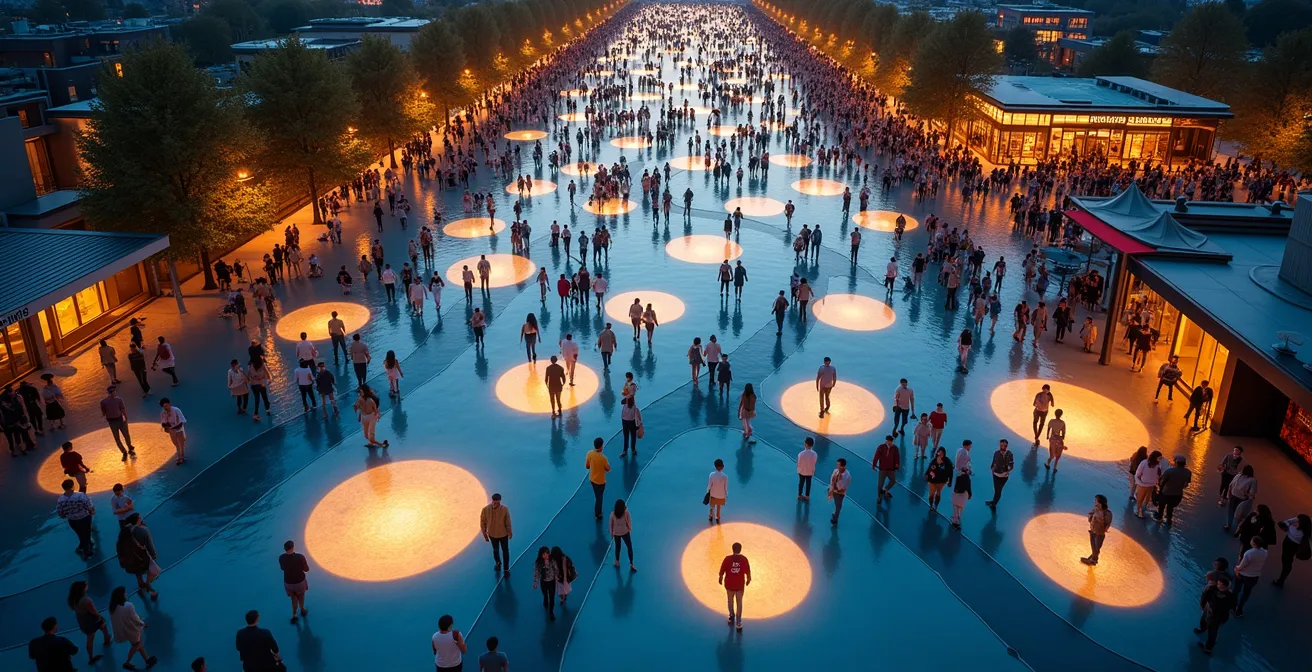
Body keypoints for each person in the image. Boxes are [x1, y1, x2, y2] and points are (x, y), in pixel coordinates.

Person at [108, 585, 155, 670]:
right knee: (138, 644)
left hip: (122, 630)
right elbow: (135, 619)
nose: (126, 594)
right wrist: (143, 624)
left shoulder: (112, 607)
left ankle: (147, 660)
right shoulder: (128, 605)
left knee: (136, 644)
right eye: (124, 592)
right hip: (131, 629)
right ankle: (127, 662)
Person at [68, 581, 110, 666]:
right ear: (82, 589)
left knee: (101, 627)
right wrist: (100, 617)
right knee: (92, 636)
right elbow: (94, 612)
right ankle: (92, 657)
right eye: (86, 586)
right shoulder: (86, 600)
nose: (87, 587)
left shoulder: (73, 599)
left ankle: (106, 639)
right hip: (91, 622)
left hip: (83, 622)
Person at [1194, 576, 1236, 655]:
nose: (1218, 585)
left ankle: (1208, 647)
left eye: (1220, 584)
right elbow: (1205, 595)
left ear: (1225, 586)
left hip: (1216, 616)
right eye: (1218, 583)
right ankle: (1203, 629)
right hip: (1209, 610)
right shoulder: (1214, 589)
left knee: (1213, 630)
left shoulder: (1229, 596)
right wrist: (1204, 605)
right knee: (1204, 620)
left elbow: (1230, 606)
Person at [57, 479, 95, 558]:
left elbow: (60, 513)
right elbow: (88, 505)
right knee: (86, 533)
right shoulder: (80, 495)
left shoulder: (61, 500)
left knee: (80, 534)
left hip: (73, 521)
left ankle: (85, 545)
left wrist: (67, 515)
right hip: (84, 517)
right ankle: (86, 551)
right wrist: (91, 512)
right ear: (72, 486)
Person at [718, 541, 751, 631]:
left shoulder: (727, 559)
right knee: (739, 603)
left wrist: (720, 578)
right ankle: (739, 623)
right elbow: (747, 571)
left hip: (729, 585)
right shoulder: (744, 559)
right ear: (740, 550)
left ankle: (731, 615)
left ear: (732, 549)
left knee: (730, 601)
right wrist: (748, 579)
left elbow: (722, 569)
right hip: (739, 585)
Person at [1273, 513, 1311, 587]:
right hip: (1288, 542)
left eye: (1298, 521)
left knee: (1287, 561)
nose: (1295, 522)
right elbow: (1287, 522)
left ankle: (1281, 580)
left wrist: (1289, 523)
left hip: (1291, 545)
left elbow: (1285, 523)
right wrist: (1294, 520)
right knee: (1286, 559)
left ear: (1302, 524)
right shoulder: (1302, 529)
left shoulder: (1298, 533)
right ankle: (1282, 577)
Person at [1233, 536, 1267, 616]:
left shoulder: (1249, 553)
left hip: (1243, 574)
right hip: (1254, 576)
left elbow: (1242, 565)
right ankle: (1239, 609)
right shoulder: (1265, 552)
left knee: (1236, 589)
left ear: (1254, 544)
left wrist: (1236, 569)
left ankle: (1232, 605)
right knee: (1246, 592)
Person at [480, 493, 513, 577]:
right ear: (492, 500)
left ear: (499, 501)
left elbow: (507, 522)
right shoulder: (485, 509)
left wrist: (509, 532)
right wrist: (485, 534)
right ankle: (498, 563)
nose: (494, 503)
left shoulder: (505, 510)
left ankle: (506, 569)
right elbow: (482, 522)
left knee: (505, 551)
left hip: (503, 535)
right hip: (492, 535)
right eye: (493, 501)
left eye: (496, 501)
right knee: (495, 550)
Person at [1155, 455, 1192, 526]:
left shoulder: (1169, 471)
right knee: (1170, 507)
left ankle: (1159, 518)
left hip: (1166, 493)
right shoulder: (1188, 472)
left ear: (1176, 462)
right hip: (1178, 494)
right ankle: (1169, 520)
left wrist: (1160, 489)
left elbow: (1161, 482)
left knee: (1161, 506)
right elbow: (1186, 484)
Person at [280, 540, 310, 624]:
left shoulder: (281, 557)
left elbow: (282, 568)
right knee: (301, 596)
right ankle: (302, 609)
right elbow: (306, 569)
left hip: (288, 582)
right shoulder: (300, 557)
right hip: (299, 581)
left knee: (293, 598)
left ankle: (294, 615)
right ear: (293, 548)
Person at [1081, 494, 1113, 565]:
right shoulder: (1095, 509)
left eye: (1096, 500)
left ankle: (1093, 560)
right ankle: (1093, 558)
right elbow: (1090, 516)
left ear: (1100, 502)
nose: (1095, 502)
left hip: (1099, 532)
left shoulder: (1107, 513)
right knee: (1094, 546)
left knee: (1097, 547)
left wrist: (1103, 529)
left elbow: (1108, 523)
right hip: (1093, 530)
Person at [1225, 465, 1258, 532]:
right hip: (1234, 496)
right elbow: (1231, 485)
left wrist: (1246, 494)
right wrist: (1229, 495)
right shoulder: (1238, 476)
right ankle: (1229, 525)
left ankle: (1236, 528)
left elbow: (1252, 492)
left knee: (1239, 515)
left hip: (1242, 499)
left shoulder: (1252, 480)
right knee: (1231, 511)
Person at [1133, 450, 1163, 518]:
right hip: (1142, 485)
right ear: (1155, 457)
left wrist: (1155, 483)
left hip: (1151, 485)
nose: (1161, 459)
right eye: (1159, 458)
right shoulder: (1144, 463)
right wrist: (1139, 482)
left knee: (1146, 499)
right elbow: (1138, 474)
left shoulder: (1158, 465)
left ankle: (1141, 510)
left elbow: (1157, 475)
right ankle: (1138, 511)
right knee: (1140, 499)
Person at [586, 437, 609, 520]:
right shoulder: (603, 458)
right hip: (601, 482)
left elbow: (587, 466)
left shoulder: (589, 453)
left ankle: (598, 512)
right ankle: (598, 514)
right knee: (599, 498)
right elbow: (608, 469)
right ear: (601, 446)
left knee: (597, 496)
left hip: (592, 480)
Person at [532, 546, 558, 620]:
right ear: (541, 555)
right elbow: (536, 572)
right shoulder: (538, 562)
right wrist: (535, 582)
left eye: (547, 554)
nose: (546, 556)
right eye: (544, 554)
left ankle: (551, 612)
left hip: (552, 581)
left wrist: (557, 578)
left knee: (552, 597)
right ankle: (545, 599)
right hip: (543, 581)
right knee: (545, 594)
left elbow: (556, 569)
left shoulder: (552, 560)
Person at [158, 398, 187, 465]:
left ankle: (181, 456)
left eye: (167, 406)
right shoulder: (163, 413)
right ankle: (180, 455)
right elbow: (163, 423)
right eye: (164, 407)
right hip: (172, 430)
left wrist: (173, 428)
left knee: (181, 443)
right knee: (176, 443)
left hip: (179, 428)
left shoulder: (176, 410)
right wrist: (166, 427)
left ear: (169, 404)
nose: (166, 408)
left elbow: (182, 421)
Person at [985, 439, 1013, 508]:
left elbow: (1011, 466)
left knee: (998, 490)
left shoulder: (1009, 454)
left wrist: (1006, 470)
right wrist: (992, 468)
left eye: (1004, 445)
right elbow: (994, 461)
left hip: (1003, 476)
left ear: (1006, 446)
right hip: (995, 475)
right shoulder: (996, 453)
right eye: (1001, 445)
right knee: (996, 490)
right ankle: (994, 501)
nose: (1002, 447)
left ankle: (994, 503)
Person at [610, 498, 636, 571]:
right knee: (629, 547)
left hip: (616, 533)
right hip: (625, 532)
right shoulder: (626, 513)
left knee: (618, 547)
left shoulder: (612, 514)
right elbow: (628, 521)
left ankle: (617, 561)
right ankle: (631, 563)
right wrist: (629, 528)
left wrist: (612, 533)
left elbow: (611, 524)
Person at [872, 435, 900, 502]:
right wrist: (874, 465)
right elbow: (876, 456)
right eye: (888, 441)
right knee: (880, 484)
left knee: (893, 481)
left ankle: (885, 490)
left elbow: (897, 458)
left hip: (891, 469)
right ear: (886, 441)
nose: (889, 442)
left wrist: (897, 466)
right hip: (882, 469)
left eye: (890, 441)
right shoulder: (881, 447)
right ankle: (879, 497)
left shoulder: (895, 448)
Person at [924, 447, 953, 511]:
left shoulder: (947, 462)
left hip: (941, 481)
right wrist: (926, 474)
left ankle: (935, 506)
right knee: (931, 493)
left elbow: (950, 471)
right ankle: (931, 505)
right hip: (932, 480)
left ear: (944, 453)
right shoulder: (934, 460)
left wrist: (950, 481)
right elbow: (929, 468)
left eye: (942, 453)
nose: (940, 454)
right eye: (939, 452)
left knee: (938, 492)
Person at [828, 458, 851, 525]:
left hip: (839, 493)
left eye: (838, 464)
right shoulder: (836, 471)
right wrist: (831, 489)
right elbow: (832, 480)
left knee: (838, 506)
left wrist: (836, 489)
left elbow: (843, 487)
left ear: (842, 466)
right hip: (834, 490)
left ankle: (835, 519)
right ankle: (835, 514)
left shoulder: (846, 476)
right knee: (836, 504)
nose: (837, 466)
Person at [707, 458, 728, 523]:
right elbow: (726, 488)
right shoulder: (725, 477)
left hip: (713, 494)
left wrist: (707, 492)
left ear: (715, 466)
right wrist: (726, 495)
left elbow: (709, 485)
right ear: (723, 466)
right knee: (718, 506)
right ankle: (717, 517)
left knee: (712, 505)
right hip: (721, 495)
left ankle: (711, 516)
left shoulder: (711, 475)